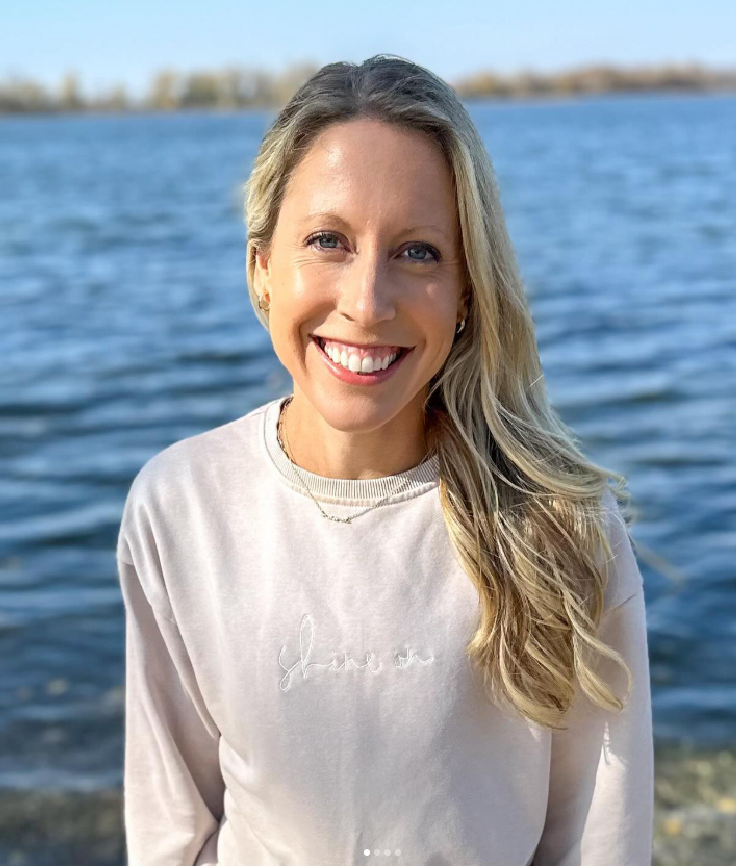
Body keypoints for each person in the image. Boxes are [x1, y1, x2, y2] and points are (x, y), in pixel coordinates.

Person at [117, 54, 654, 865]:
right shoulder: (180, 506)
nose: (367, 303)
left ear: (468, 289)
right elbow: (171, 832)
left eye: (418, 252)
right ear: (262, 267)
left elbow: (598, 838)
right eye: (327, 240)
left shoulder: (561, 526)